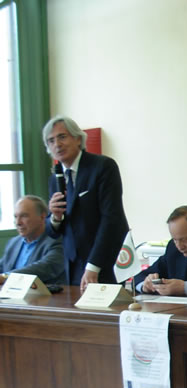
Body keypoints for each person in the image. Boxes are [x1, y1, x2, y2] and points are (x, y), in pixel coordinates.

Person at [43, 115, 129, 291]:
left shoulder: (103, 167)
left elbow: (111, 219)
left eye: (62, 137)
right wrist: (55, 217)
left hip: (105, 261)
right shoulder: (55, 178)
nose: (57, 145)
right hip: (73, 266)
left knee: (105, 316)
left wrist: (93, 266)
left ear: (77, 138)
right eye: (51, 141)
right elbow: (53, 231)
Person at [0, 195, 65, 285]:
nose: (18, 222)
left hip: (44, 297)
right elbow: (2, 266)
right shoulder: (13, 243)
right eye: (15, 216)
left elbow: (44, 268)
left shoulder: (56, 242)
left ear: (42, 217)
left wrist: (6, 277)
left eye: (24, 216)